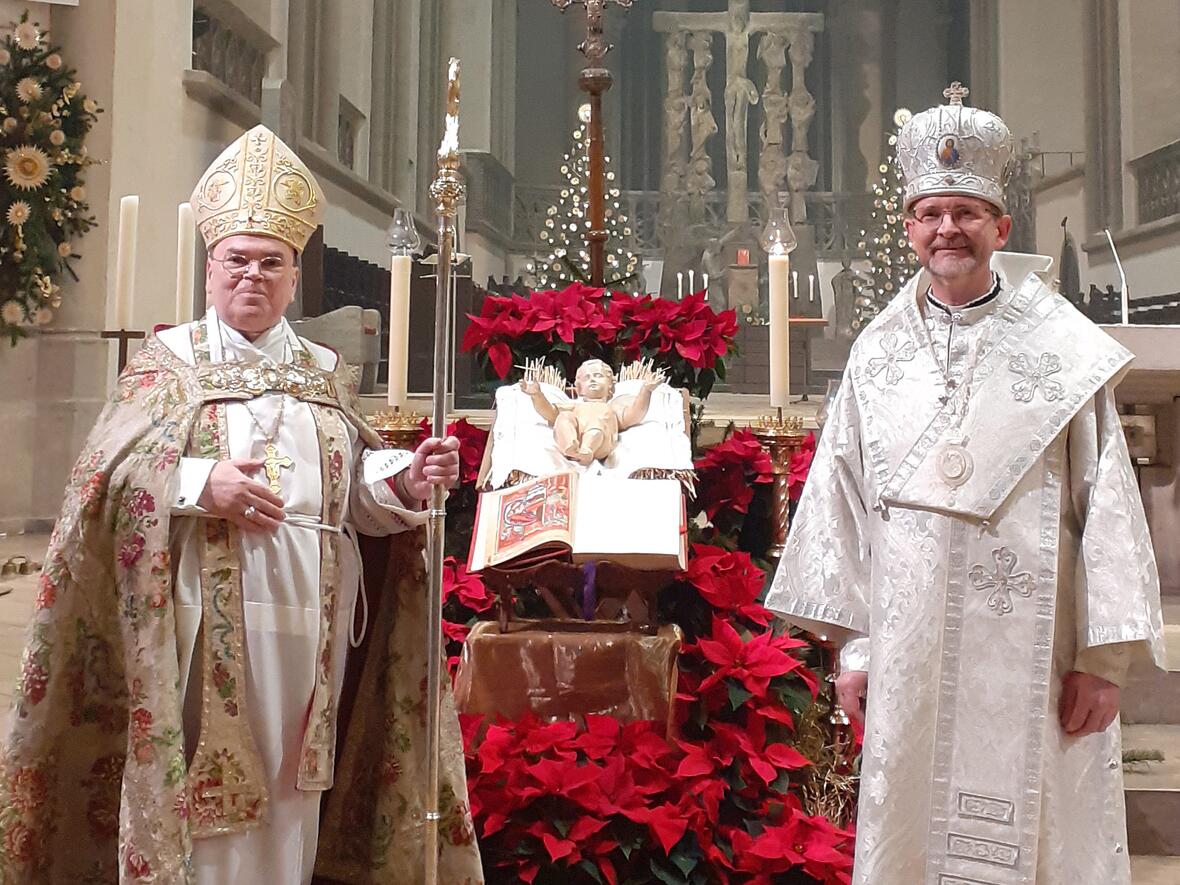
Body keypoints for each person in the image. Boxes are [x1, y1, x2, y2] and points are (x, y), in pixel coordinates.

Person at [0, 125, 484, 884]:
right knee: (205, 790)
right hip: (198, 624)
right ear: (209, 269)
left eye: (271, 262)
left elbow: (350, 491)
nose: (252, 276)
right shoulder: (168, 365)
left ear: (295, 277)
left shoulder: (323, 372)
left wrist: (408, 481)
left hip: (311, 622)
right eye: (237, 260)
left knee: (293, 790)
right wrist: (199, 486)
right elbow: (103, 484)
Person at [766, 84, 1165, 885]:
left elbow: (1110, 507)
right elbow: (842, 507)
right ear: (910, 226)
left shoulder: (1064, 356)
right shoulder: (876, 359)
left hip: (1040, 663)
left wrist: (1105, 660)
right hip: (909, 661)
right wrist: (854, 647)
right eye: (931, 212)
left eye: (967, 212)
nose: (948, 228)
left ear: (1000, 227)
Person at [521, 359, 661, 465]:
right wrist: (537, 395)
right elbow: (550, 413)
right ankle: (570, 444)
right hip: (576, 440)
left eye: (598, 375)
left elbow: (634, 415)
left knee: (597, 423)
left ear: (611, 385)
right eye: (587, 378)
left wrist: (646, 391)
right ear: (579, 388)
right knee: (564, 417)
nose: (592, 379)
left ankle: (586, 450)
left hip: (599, 443)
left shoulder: (611, 408)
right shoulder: (575, 406)